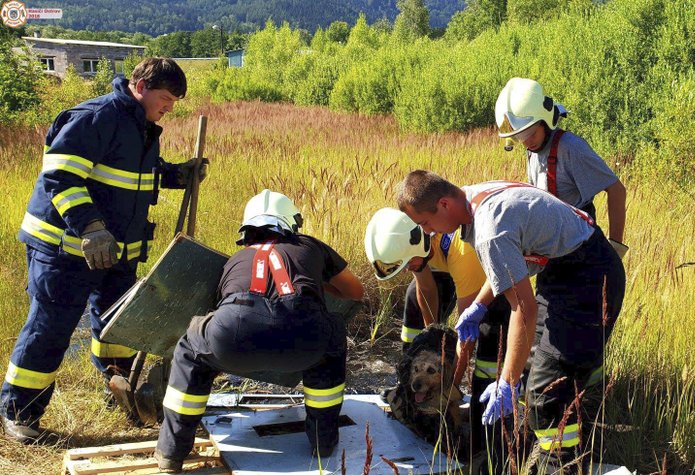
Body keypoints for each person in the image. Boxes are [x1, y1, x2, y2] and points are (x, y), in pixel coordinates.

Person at [1, 58, 205, 443]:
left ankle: (119, 392)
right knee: (50, 329)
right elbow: (60, 176)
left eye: (174, 102)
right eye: (165, 98)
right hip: (64, 248)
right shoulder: (95, 116)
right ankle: (20, 414)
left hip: (117, 254)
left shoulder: (142, 127)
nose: (169, 108)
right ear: (141, 86)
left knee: (116, 328)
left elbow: (134, 175)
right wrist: (91, 228)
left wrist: (178, 174)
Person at [397, 170, 626, 474]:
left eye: (425, 223)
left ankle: (559, 465)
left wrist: (505, 382)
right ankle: (528, 454)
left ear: (443, 205)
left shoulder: (489, 228)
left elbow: (523, 310)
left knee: (547, 392)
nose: (427, 232)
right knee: (530, 372)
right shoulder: (472, 196)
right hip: (561, 271)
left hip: (590, 279)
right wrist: (479, 305)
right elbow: (508, 262)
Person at [155, 190, 363, 472]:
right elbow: (354, 291)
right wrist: (316, 279)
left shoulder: (235, 260)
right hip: (304, 339)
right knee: (332, 333)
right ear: (292, 223)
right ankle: (322, 441)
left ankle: (171, 453)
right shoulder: (311, 246)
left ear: (247, 229)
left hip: (235, 332)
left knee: (191, 350)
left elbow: (226, 305)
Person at [364, 207, 511, 468]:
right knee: (413, 298)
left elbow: (467, 332)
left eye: (409, 263)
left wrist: (449, 385)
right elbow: (426, 286)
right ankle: (409, 386)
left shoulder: (464, 254)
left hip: (490, 277)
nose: (409, 266)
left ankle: (482, 427)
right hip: (443, 261)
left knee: (490, 330)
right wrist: (433, 338)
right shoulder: (409, 234)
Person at [495, 77, 629, 258]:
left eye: (531, 133)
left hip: (580, 255)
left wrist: (616, 249)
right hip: (551, 252)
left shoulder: (571, 148)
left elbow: (617, 190)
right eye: (520, 137)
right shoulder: (532, 148)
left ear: (545, 121)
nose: (527, 142)